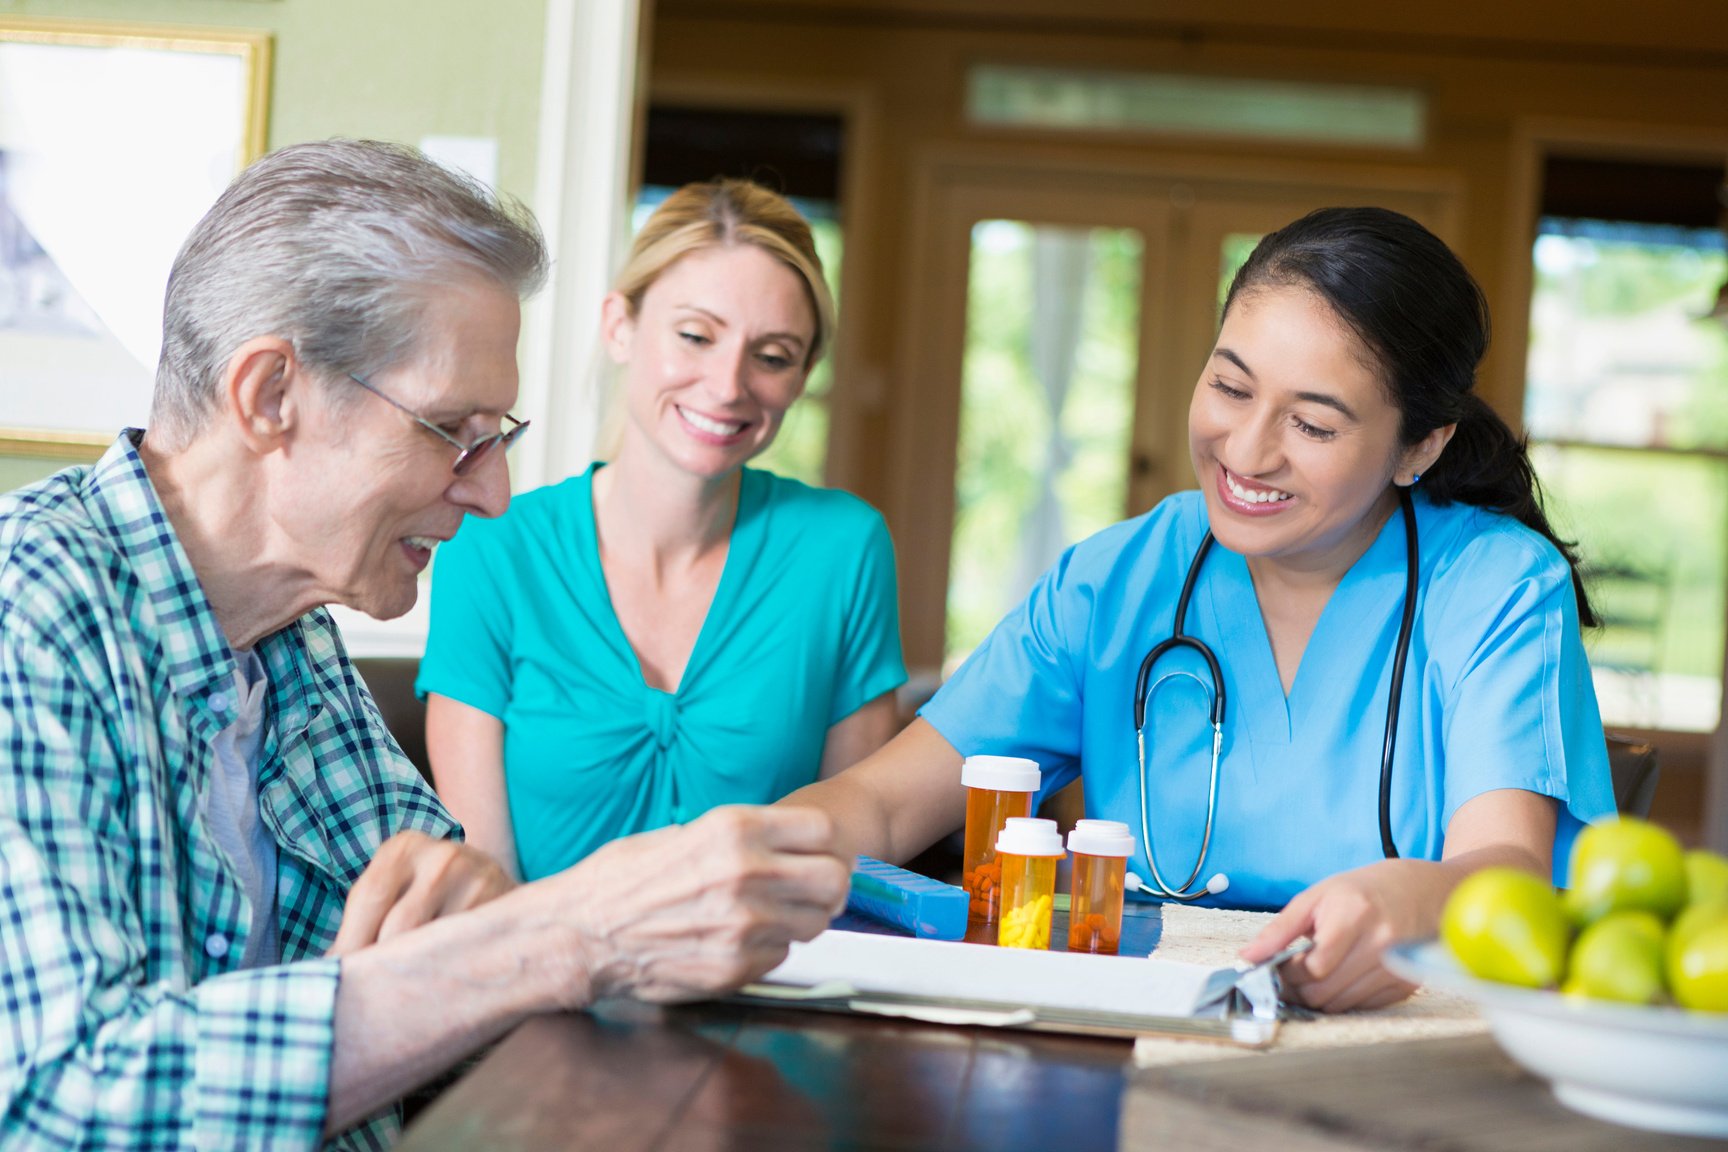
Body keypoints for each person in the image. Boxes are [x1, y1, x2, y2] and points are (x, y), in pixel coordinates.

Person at [0, 140, 849, 1150]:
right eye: (455, 430)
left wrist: (491, 928)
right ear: (272, 396)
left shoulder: (287, 639)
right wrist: (553, 935)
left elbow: (466, 929)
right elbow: (63, 1099)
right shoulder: (32, 611)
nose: (493, 493)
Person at [778, 206, 1616, 1013]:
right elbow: (883, 804)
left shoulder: (1497, 585)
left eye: (1314, 426)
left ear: (1421, 446)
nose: (1247, 451)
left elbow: (1507, 867)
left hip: (1404, 1058)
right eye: (1229, 386)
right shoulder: (1113, 582)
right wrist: (725, 852)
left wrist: (1416, 895)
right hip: (1135, 1034)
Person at [418, 178, 906, 881]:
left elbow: (849, 867)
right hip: (539, 980)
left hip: (772, 985)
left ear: (802, 377)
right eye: (696, 336)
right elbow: (483, 877)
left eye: (772, 356)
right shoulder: (491, 546)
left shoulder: (845, 551)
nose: (729, 384)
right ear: (620, 325)